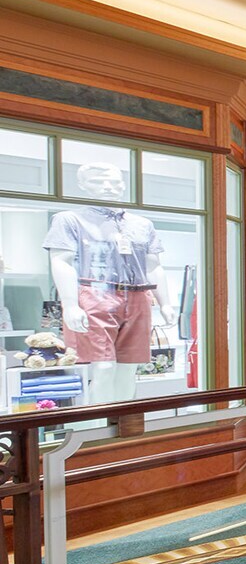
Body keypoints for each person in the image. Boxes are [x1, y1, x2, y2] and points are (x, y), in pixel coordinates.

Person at [44, 161, 161, 403]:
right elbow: (61, 261)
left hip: (138, 295)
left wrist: (166, 303)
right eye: (98, 182)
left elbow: (154, 265)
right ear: (82, 186)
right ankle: (99, 427)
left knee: (129, 367)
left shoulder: (141, 224)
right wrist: (70, 304)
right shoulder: (70, 219)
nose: (107, 187)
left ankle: (124, 423)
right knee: (103, 367)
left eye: (114, 181)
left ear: (123, 185)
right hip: (95, 292)